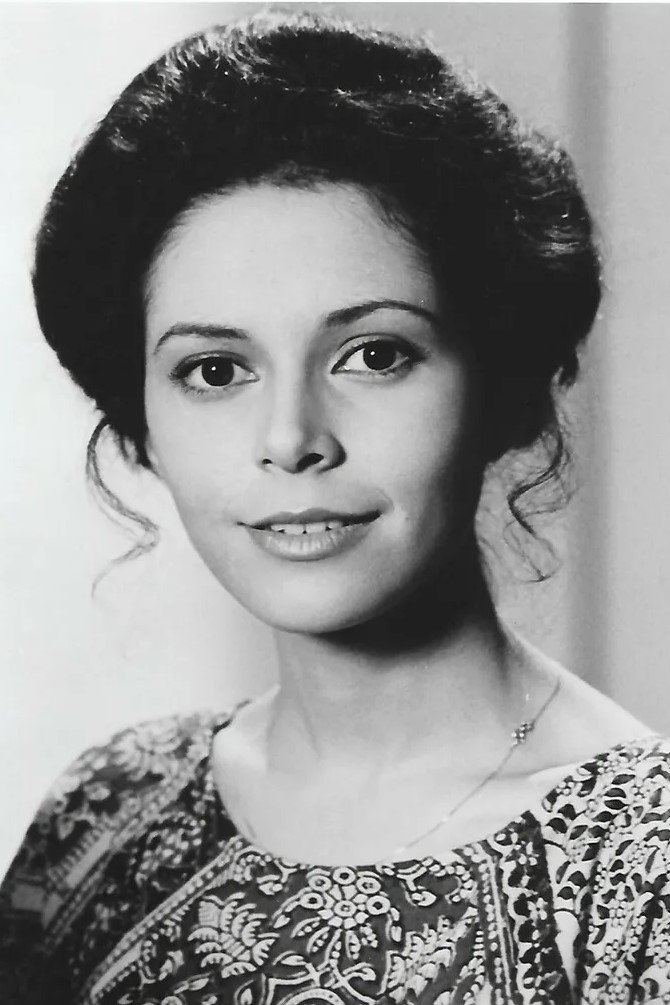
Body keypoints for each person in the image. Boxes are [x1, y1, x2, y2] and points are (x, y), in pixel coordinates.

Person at [1, 9, 669, 1003]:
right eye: (214, 369)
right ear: (140, 426)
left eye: (374, 354)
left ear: (505, 386)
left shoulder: (644, 869)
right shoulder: (102, 817)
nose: (290, 438)